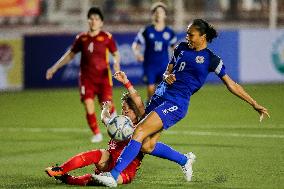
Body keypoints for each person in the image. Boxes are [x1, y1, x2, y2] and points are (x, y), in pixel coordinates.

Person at [92, 19, 270, 187]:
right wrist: (166, 76)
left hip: (177, 102)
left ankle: (113, 176)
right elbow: (167, 71)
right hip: (159, 96)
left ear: (203, 37)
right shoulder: (181, 48)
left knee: (138, 131)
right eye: (186, 33)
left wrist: (254, 103)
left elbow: (231, 84)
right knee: (147, 146)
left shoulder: (211, 59)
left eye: (191, 34)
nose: (187, 37)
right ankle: (185, 160)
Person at [46, 7, 121, 143]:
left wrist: (116, 63)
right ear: (88, 21)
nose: (93, 21)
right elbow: (70, 55)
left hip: (104, 78)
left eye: (96, 19)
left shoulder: (107, 37)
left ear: (101, 22)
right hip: (87, 79)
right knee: (88, 104)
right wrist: (54, 67)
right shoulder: (82, 38)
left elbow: (115, 53)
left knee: (106, 106)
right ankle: (97, 133)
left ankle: (116, 122)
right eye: (91, 19)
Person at [45, 91, 145, 185]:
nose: (124, 111)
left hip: (125, 170)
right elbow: (105, 118)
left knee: (100, 179)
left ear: (135, 109)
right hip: (109, 161)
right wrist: (105, 109)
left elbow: (147, 146)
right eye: (123, 108)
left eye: (127, 108)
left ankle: (68, 179)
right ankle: (60, 169)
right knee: (100, 153)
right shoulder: (119, 122)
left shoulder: (142, 130)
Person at [132, 2, 177, 103]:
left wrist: (177, 62)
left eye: (161, 12)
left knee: (163, 93)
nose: (158, 14)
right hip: (150, 66)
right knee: (151, 92)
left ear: (165, 15)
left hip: (164, 67)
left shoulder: (169, 32)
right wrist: (137, 53)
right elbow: (136, 45)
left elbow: (176, 49)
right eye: (156, 12)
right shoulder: (147, 30)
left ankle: (160, 115)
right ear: (152, 15)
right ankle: (147, 113)